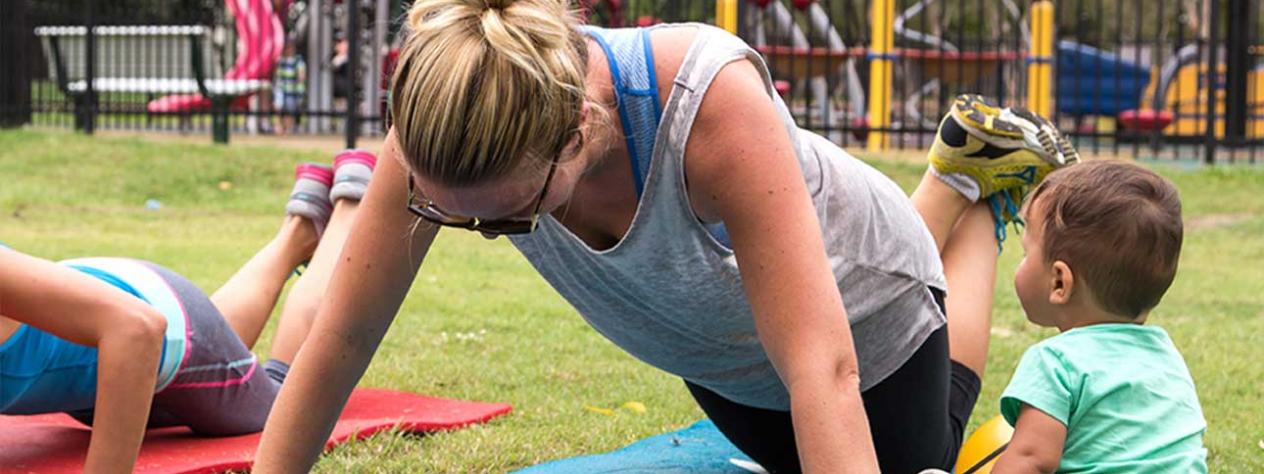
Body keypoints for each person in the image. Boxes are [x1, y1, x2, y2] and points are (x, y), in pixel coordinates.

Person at [253, 1, 1077, 472]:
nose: (487, 235)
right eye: (455, 216)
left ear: (579, 128)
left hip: (873, 311)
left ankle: (963, 197)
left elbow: (821, 366)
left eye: (508, 215)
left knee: (935, 452)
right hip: (722, 356)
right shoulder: (446, 127)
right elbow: (344, 337)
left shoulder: (707, 104)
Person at [0, 150, 377, 473]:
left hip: (145, 317)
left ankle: (352, 200)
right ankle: (301, 226)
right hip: (106, 352)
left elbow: (136, 328)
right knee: (215, 357)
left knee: (281, 404)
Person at [990, 161, 1207, 473]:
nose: (1021, 264)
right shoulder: (1167, 359)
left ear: (1059, 282)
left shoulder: (1055, 362)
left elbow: (1031, 459)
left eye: (1026, 254)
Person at [273, 40, 307, 135]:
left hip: (293, 89)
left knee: (290, 109)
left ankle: (288, 128)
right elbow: (277, 75)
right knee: (279, 108)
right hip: (281, 89)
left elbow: (301, 76)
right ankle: (280, 127)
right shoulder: (280, 60)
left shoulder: (298, 61)